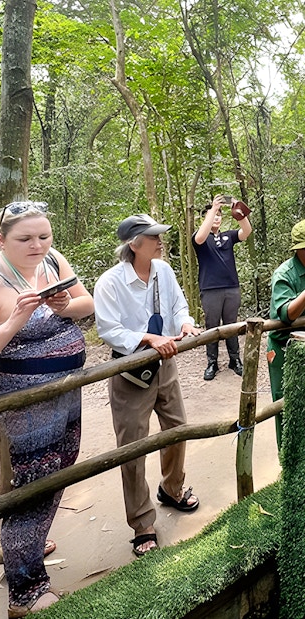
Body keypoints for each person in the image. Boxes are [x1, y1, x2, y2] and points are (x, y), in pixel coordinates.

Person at [0, 201, 94, 618]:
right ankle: (26, 589)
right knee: (32, 485)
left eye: (44, 236)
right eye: (25, 239)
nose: (37, 245)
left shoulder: (53, 261)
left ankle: (25, 546)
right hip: (26, 402)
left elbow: (89, 303)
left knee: (58, 471)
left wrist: (66, 306)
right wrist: (12, 322)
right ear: (0, 239)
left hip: (69, 389)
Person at [94, 214, 200, 558]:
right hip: (130, 372)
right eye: (152, 236)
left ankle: (172, 488)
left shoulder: (164, 271)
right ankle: (142, 524)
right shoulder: (110, 282)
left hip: (165, 365)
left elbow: (179, 305)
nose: (159, 240)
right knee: (133, 448)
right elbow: (109, 329)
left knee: (177, 429)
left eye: (159, 235)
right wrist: (148, 338)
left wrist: (184, 323)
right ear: (132, 244)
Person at [192, 194, 252, 381]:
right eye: (213, 214)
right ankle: (212, 362)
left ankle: (235, 360)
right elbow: (201, 236)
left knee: (231, 325)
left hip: (231, 287)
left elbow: (246, 232)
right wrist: (213, 208)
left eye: (219, 214)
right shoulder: (199, 238)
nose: (217, 217)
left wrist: (240, 213)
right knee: (212, 327)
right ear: (205, 217)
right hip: (210, 289)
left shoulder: (228, 236)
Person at [267, 219, 305, 449]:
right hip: (284, 350)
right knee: (287, 404)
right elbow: (286, 314)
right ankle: (288, 461)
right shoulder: (284, 274)